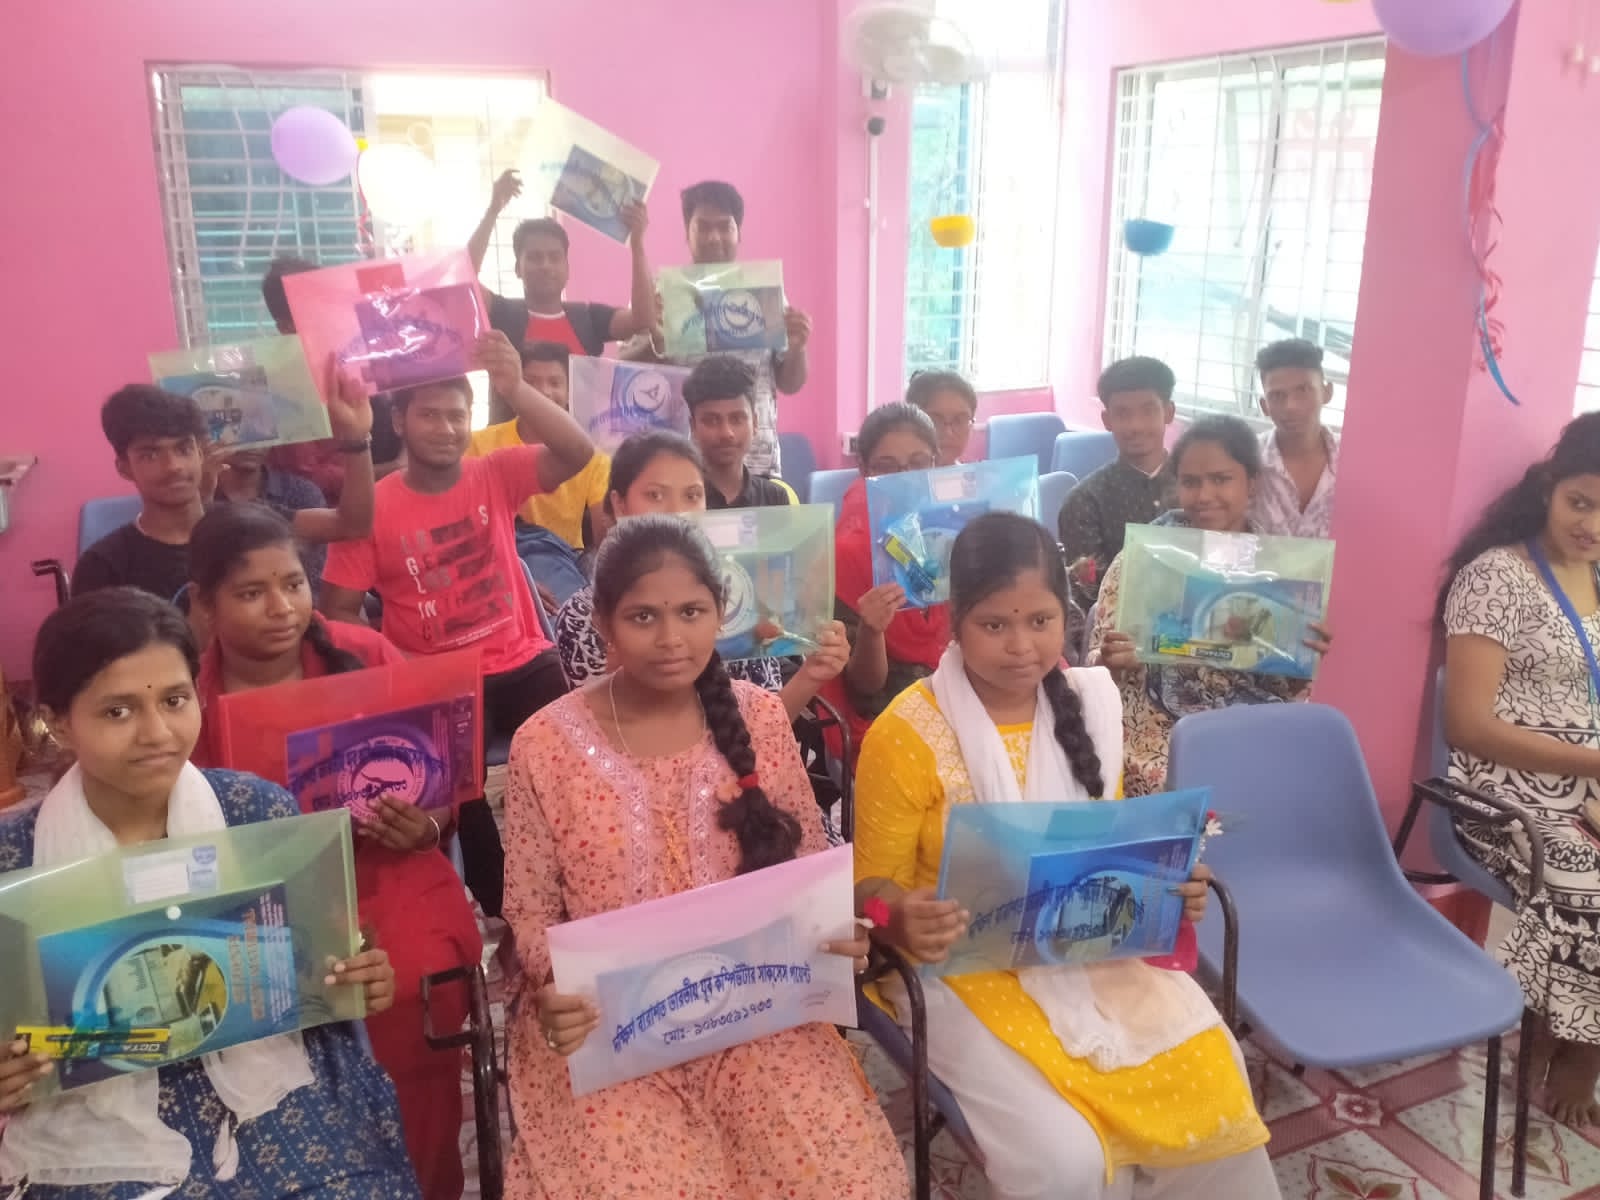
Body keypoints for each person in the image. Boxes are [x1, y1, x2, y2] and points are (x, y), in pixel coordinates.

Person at [852, 512, 1279, 1200]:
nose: (1021, 646)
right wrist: (895, 914)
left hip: (1086, 944)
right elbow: (865, 889)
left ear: (1066, 617)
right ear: (956, 622)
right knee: (1065, 1157)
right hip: (957, 968)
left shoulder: (1092, 705)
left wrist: (1172, 888)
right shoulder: (906, 733)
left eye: (1041, 621)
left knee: (1214, 1079)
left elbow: (1109, 855)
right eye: (995, 624)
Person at [500, 515, 906, 1199]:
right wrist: (555, 988)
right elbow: (530, 908)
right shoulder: (544, 744)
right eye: (643, 617)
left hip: (756, 1014)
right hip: (615, 1030)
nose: (670, 639)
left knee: (845, 1180)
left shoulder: (759, 717)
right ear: (603, 623)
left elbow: (805, 864)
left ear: (721, 612)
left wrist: (838, 932)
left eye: (691, 612)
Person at [0, 587, 417, 1200]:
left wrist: (358, 976)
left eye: (174, 700)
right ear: (59, 722)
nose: (156, 733)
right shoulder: (14, 861)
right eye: (117, 711)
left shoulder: (254, 812)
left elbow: (320, 971)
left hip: (266, 1082)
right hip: (95, 1115)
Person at [185, 505, 481, 1199]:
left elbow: (442, 791)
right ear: (204, 603)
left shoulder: (365, 653)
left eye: (292, 584)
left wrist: (426, 826)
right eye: (251, 592)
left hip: (390, 873)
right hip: (258, 907)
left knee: (406, 988)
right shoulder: (186, 700)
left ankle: (426, 1180)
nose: (281, 608)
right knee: (252, 1017)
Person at [319, 330, 594, 919]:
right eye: (429, 415)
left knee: (574, 755)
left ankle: (581, 878)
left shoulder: (493, 473)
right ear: (399, 420)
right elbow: (338, 610)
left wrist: (514, 385)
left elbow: (578, 451)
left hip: (521, 658)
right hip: (434, 679)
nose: (445, 428)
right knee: (456, 793)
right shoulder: (372, 506)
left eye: (457, 416)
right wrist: (394, 665)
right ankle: (504, 911)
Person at [1438, 411, 1600, 1126]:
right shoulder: (1496, 577)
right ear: (1548, 488)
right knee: (1581, 869)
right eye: (1580, 503)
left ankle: (1569, 1022)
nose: (1592, 526)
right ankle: (1572, 1041)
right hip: (1498, 782)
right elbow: (1467, 726)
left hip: (1587, 778)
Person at [1089, 415, 1332, 795]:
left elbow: (1286, 688)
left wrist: (1302, 657)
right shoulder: (1145, 557)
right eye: (1191, 482)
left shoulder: (1279, 569)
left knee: (1301, 784)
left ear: (1252, 482)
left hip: (1248, 728)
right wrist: (1112, 661)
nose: (1204, 496)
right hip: (1154, 732)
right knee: (1188, 786)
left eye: (1221, 479)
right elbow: (1094, 668)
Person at [555, 431, 846, 723]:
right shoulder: (582, 616)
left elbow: (765, 730)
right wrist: (620, 677)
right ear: (619, 504)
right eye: (655, 495)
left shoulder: (739, 596)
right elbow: (594, 737)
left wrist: (811, 675)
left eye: (692, 496)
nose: (677, 511)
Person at [73, 366, 376, 603]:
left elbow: (352, 524)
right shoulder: (105, 566)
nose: (174, 465)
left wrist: (356, 440)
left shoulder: (248, 524)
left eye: (183, 448)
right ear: (124, 468)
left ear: (200, 452)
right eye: (150, 454)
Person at [626, 180, 812, 478]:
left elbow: (790, 384)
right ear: (687, 233)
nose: (714, 237)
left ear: (739, 233)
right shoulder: (661, 292)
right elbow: (627, 371)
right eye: (703, 227)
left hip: (757, 463)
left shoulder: (763, 293)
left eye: (725, 226)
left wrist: (798, 347)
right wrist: (656, 334)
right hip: (682, 463)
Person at [831, 402, 947, 744]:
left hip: (965, 699)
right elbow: (865, 689)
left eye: (918, 463)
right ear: (863, 470)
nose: (905, 479)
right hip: (891, 720)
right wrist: (872, 632)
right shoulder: (847, 556)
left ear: (935, 462)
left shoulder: (955, 534)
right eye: (887, 467)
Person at [468, 341, 610, 605]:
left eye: (555, 382)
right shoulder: (478, 444)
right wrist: (512, 574)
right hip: (498, 556)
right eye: (531, 382)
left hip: (566, 559)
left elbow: (606, 535)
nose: (544, 391)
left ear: (569, 392)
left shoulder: (594, 456)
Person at [467, 170, 655, 357]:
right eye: (535, 257)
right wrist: (492, 211)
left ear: (567, 267)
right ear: (517, 268)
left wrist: (637, 244)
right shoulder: (502, 313)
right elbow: (464, 279)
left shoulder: (589, 318)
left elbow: (643, 321)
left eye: (555, 257)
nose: (545, 265)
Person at [260, 255, 404, 499]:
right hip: (343, 508)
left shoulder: (359, 353)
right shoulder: (283, 389)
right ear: (286, 327)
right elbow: (311, 477)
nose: (330, 312)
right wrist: (394, 469)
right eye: (314, 305)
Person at [1058, 356, 1179, 609]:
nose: (1135, 426)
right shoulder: (1084, 502)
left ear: (1168, 413)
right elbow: (1090, 597)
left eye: (1148, 411)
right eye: (1123, 413)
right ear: (1107, 420)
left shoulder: (1200, 489)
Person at [1248, 338, 1339, 538]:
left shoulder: (1356, 463)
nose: (1291, 406)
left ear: (1327, 393)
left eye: (1303, 390)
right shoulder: (1246, 461)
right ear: (1264, 406)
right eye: (1277, 396)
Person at [210, 450, 333, 594]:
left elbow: (313, 579)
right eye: (237, 435)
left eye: (259, 435)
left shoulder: (301, 493)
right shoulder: (197, 494)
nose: (251, 444)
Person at [684, 354, 799, 508]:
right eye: (712, 420)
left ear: (755, 423)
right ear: (693, 426)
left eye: (737, 419)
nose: (726, 433)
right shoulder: (681, 499)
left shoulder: (775, 498)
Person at [906, 369, 977, 467]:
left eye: (959, 421)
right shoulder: (894, 475)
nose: (948, 432)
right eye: (935, 421)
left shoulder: (978, 475)